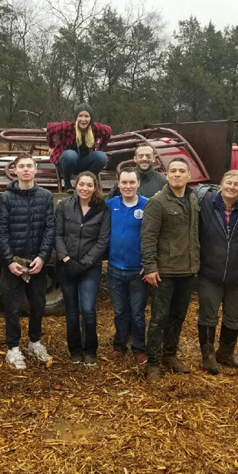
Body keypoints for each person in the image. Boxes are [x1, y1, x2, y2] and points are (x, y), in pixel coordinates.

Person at [140, 158, 201, 383]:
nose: (177, 174)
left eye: (181, 171)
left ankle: (170, 354)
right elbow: (148, 237)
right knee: (159, 318)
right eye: (173, 170)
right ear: (167, 175)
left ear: (188, 176)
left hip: (187, 269)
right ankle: (153, 362)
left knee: (178, 316)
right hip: (164, 271)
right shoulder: (157, 202)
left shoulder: (193, 199)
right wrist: (150, 267)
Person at [0, 153, 56, 369]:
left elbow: (50, 229)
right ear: (15, 170)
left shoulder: (45, 196)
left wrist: (43, 257)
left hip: (36, 263)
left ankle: (35, 342)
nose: (26, 170)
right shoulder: (6, 198)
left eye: (29, 166)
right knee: (13, 307)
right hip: (14, 263)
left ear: (36, 170)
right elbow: (1, 231)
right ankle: (13, 348)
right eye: (21, 166)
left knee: (38, 305)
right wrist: (8, 261)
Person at [194, 170, 238, 375]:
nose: (232, 187)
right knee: (208, 315)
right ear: (221, 184)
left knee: (233, 316)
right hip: (210, 272)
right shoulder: (206, 202)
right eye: (229, 182)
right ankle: (208, 355)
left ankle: (226, 353)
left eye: (237, 184)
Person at [55, 171, 111, 366]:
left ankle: (90, 350)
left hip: (90, 267)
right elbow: (58, 234)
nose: (85, 189)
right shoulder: (64, 206)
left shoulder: (102, 209)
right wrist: (66, 259)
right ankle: (75, 350)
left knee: (87, 309)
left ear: (95, 188)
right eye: (82, 184)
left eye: (89, 185)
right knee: (71, 309)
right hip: (66, 265)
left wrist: (85, 263)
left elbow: (102, 241)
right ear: (76, 185)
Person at [105, 166, 149, 365]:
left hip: (138, 270)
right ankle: (119, 346)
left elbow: (155, 236)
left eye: (132, 182)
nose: (128, 186)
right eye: (124, 182)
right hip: (115, 269)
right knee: (120, 311)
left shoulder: (147, 205)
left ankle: (139, 348)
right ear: (118, 183)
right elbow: (88, 209)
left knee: (137, 313)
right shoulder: (110, 205)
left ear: (138, 183)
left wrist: (149, 263)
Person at [47, 103, 111, 191]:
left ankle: (86, 181)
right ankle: (67, 183)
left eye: (86, 116)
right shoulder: (67, 127)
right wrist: (51, 146)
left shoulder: (95, 128)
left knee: (101, 157)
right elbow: (49, 128)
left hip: (84, 162)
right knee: (71, 155)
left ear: (91, 118)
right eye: (80, 116)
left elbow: (108, 132)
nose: (83, 120)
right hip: (66, 162)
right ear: (76, 117)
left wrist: (99, 149)